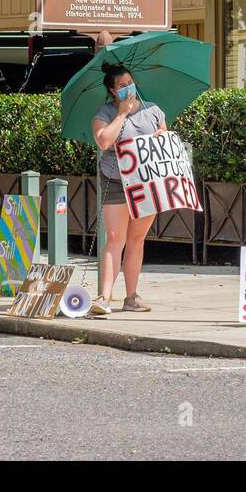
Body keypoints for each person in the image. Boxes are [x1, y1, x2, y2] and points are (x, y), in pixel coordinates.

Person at [90, 64, 166, 315]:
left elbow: (164, 140)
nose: (128, 88)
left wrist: (160, 136)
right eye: (122, 85)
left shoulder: (152, 109)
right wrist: (121, 114)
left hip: (146, 182)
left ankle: (131, 296)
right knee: (115, 238)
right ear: (112, 90)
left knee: (136, 239)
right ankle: (104, 297)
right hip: (116, 181)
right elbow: (103, 140)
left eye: (130, 83)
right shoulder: (104, 112)